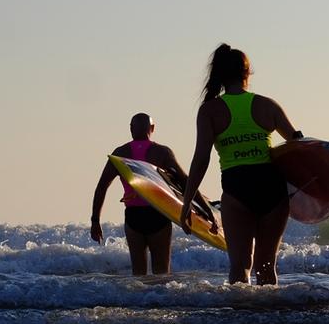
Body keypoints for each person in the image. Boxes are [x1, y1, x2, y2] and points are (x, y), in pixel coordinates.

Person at [180, 44, 302, 285]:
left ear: (222, 76)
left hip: (237, 190)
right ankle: (269, 320)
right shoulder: (268, 105)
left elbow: (201, 160)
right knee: (267, 267)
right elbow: (298, 146)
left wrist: (187, 203)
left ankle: (240, 319)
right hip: (272, 189)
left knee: (240, 268)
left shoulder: (210, 111)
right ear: (248, 73)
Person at [91, 113, 211, 276]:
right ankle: (159, 301)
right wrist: (206, 210)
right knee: (162, 273)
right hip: (158, 214)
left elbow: (101, 187)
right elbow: (186, 183)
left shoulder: (120, 153)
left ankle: (142, 302)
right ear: (152, 128)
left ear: (131, 129)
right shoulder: (162, 152)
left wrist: (95, 221)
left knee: (138, 275)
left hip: (133, 216)